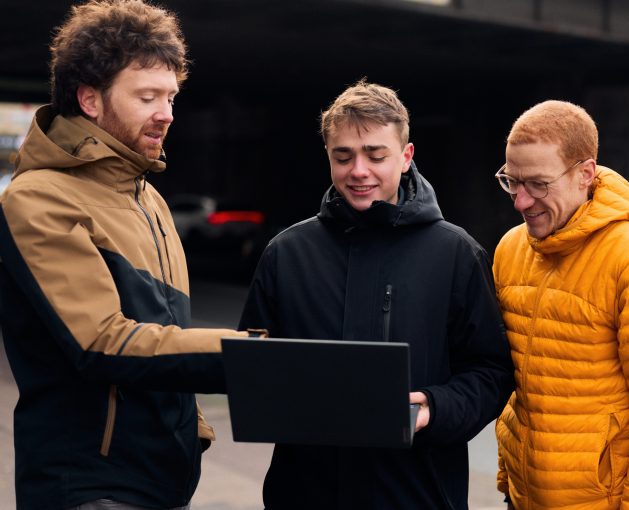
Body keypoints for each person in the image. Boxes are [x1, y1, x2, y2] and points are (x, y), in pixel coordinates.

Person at [0, 2, 252, 509]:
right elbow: (102, 342)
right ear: (90, 99)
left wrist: (190, 429)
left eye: (172, 97)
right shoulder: (38, 198)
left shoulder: (148, 198)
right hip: (90, 486)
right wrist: (252, 356)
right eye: (147, 96)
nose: (167, 113)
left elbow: (166, 334)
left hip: (162, 480)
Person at [238, 80, 514, 510]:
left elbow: (491, 371)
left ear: (406, 157)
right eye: (343, 156)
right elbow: (252, 368)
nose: (358, 170)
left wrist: (435, 409)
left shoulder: (456, 253)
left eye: (375, 155)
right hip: (305, 494)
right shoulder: (286, 254)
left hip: (416, 495)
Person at [493, 100, 629, 509]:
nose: (521, 201)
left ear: (585, 174)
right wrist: (507, 478)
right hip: (521, 498)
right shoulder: (511, 249)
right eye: (511, 181)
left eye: (538, 184)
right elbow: (520, 390)